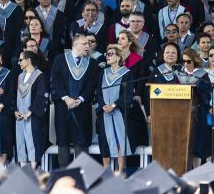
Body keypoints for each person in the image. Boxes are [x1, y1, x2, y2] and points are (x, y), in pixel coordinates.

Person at [50, 35, 98, 166]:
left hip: (82, 107)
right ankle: (64, 175)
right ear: (75, 44)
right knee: (63, 141)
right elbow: (55, 80)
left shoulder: (92, 63)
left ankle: (82, 176)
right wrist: (66, 98)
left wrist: (81, 99)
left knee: (81, 142)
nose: (88, 46)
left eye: (88, 44)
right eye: (84, 44)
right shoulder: (60, 59)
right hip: (63, 107)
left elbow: (92, 84)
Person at [95, 45, 132, 173]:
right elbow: (98, 92)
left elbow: (127, 95)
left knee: (119, 140)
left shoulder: (127, 73)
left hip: (119, 113)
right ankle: (106, 171)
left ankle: (120, 171)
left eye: (110, 54)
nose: (107, 56)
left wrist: (114, 105)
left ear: (119, 57)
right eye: (107, 54)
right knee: (105, 141)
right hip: (104, 112)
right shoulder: (102, 73)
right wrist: (103, 105)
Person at [13, 50, 48, 168]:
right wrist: (15, 110)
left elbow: (41, 96)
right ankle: (23, 168)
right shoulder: (19, 76)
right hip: (20, 116)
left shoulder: (39, 76)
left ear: (29, 60)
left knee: (32, 142)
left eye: (21, 60)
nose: (19, 62)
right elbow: (14, 95)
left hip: (32, 116)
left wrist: (31, 111)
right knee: (20, 141)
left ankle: (33, 170)